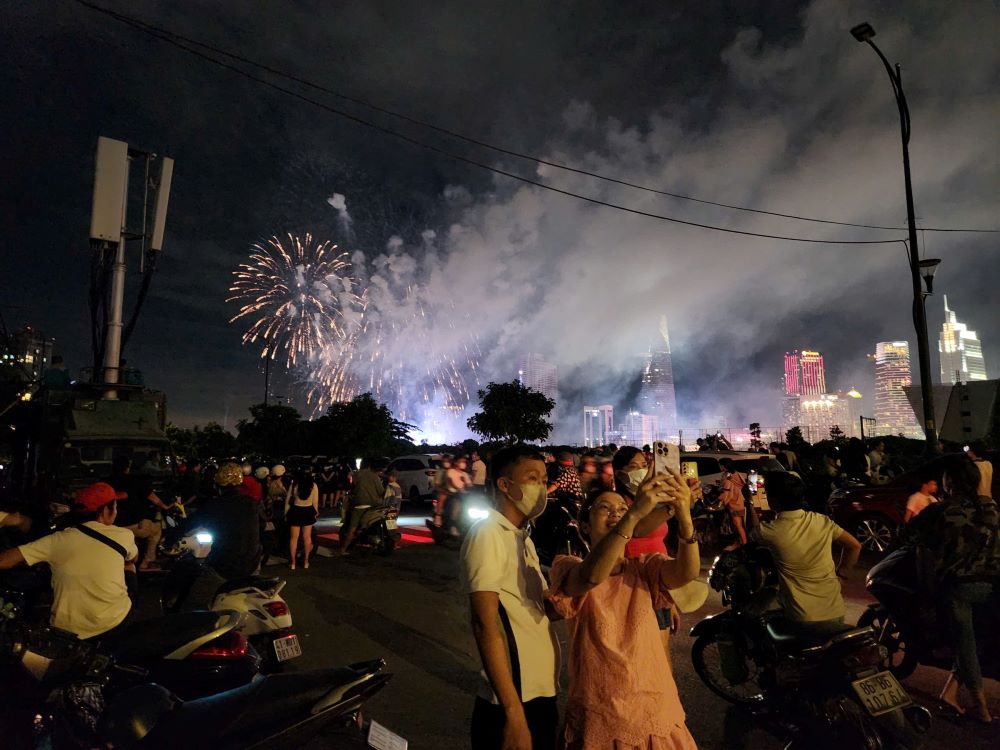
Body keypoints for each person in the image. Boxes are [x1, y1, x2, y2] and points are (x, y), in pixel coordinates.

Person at [545, 468, 700, 749]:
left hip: (654, 707)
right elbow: (592, 577)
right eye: (604, 508)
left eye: (621, 507)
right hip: (601, 712)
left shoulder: (644, 567)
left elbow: (685, 572)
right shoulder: (567, 567)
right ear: (585, 526)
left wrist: (685, 518)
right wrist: (632, 515)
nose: (615, 512)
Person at [460, 445, 559, 750]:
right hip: (513, 701)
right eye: (532, 478)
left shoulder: (521, 536)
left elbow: (536, 608)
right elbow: (484, 623)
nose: (541, 487)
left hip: (539, 691)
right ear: (505, 484)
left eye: (544, 479)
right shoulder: (488, 532)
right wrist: (514, 716)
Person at [908, 454, 998, 723]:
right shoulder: (989, 507)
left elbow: (912, 536)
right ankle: (949, 692)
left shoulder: (941, 511)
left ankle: (981, 708)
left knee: (966, 644)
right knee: (978, 641)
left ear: (950, 482)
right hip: (991, 587)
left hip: (958, 588)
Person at [0, 482, 137, 640]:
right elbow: (133, 558)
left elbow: (5, 560)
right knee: (129, 565)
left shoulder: (57, 539)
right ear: (106, 510)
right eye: (115, 506)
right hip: (114, 622)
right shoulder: (124, 535)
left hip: (66, 630)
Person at [751, 472, 862, 634]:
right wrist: (842, 575)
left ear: (773, 501)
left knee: (755, 615)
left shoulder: (770, 531)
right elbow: (855, 546)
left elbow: (751, 534)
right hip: (835, 612)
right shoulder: (821, 521)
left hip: (802, 618)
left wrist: (751, 501)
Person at [181, 462, 262, 610]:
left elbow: (191, 523)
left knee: (192, 604)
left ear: (217, 485)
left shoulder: (214, 505)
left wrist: (171, 537)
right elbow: (262, 525)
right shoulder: (252, 503)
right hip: (253, 565)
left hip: (224, 567)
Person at [108, 455, 173, 571]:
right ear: (127, 468)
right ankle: (147, 562)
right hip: (132, 525)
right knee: (156, 530)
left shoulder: (105, 482)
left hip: (109, 525)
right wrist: (166, 507)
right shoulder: (135, 481)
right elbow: (154, 498)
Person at [340, 457, 385, 553]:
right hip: (375, 506)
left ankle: (342, 549)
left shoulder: (356, 474)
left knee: (351, 529)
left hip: (360, 505)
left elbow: (352, 487)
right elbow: (381, 491)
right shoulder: (375, 476)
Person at [285, 470, 319, 570]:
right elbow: (315, 502)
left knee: (293, 538)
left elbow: (287, 501)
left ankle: (293, 563)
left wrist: (286, 514)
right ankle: (306, 561)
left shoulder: (294, 485)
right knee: (307, 537)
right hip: (308, 511)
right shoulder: (313, 486)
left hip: (295, 511)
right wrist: (315, 514)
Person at [718, 457, 748, 549]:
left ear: (725, 466)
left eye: (720, 465)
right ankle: (740, 542)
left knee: (737, 525)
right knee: (737, 525)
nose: (719, 466)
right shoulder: (734, 474)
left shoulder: (728, 477)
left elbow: (727, 492)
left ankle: (744, 543)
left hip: (735, 503)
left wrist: (721, 502)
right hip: (737, 501)